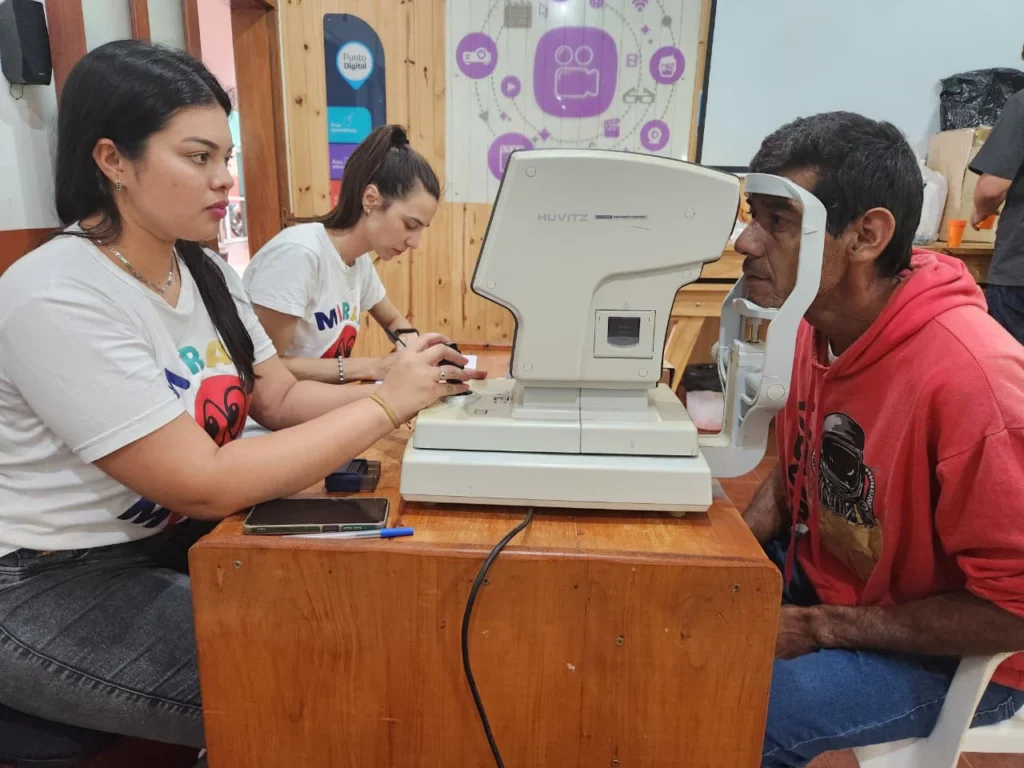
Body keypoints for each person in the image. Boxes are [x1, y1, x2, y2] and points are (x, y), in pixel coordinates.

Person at [0, 41, 482, 755]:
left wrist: (415, 394)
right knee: (318, 681)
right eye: (198, 158)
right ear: (112, 161)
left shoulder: (205, 274)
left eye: (224, 158)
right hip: (44, 583)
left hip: (161, 545)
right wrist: (385, 402)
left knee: (371, 619)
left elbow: (280, 395)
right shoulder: (57, 294)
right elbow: (202, 482)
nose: (225, 180)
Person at [734, 111, 1024, 767]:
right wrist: (735, 558)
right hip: (833, 587)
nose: (747, 241)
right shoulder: (816, 322)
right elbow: (796, 465)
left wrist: (818, 628)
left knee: (737, 706)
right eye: (754, 214)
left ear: (866, 236)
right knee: (663, 623)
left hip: (959, 654)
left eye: (777, 221)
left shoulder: (974, 382)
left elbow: (1015, 606)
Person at [242, 124, 440, 388]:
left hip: (313, 409)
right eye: (410, 225)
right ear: (371, 199)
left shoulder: (359, 261)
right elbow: (264, 367)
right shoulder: (300, 254)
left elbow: (394, 321)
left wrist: (419, 352)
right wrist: (375, 367)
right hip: (269, 423)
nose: (414, 242)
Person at [970, 86, 1024, 343]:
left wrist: (980, 211)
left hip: (1019, 276)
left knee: (1012, 375)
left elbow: (993, 187)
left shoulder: (1021, 104)